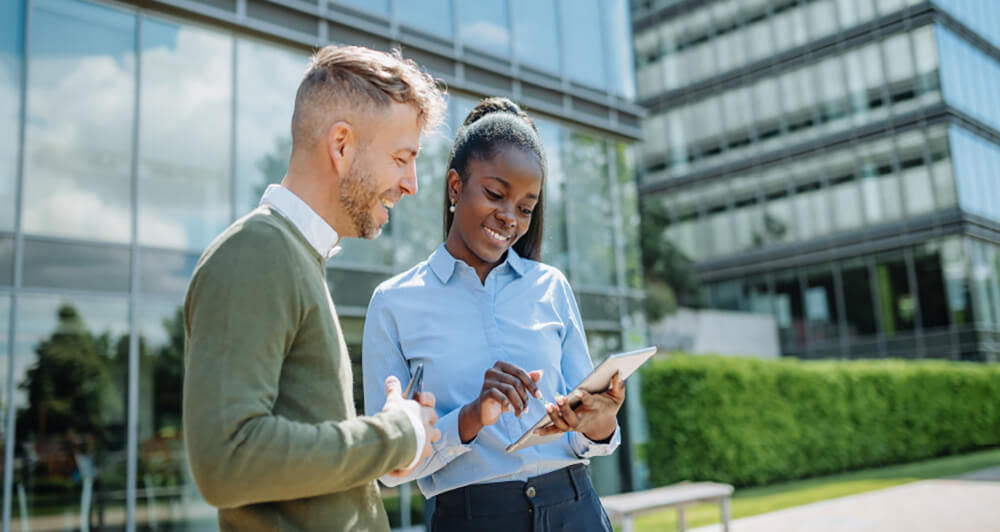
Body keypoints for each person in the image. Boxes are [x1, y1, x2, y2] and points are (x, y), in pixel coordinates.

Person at [183, 45, 447, 531]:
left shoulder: (294, 258)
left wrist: (385, 454)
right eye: (401, 157)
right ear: (342, 146)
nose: (411, 183)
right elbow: (227, 460)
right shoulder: (255, 253)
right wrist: (395, 435)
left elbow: (297, 464)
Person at [362, 98, 625, 532]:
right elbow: (388, 464)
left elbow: (585, 438)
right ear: (453, 187)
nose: (510, 218)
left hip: (574, 509)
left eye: (525, 207)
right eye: (495, 194)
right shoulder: (394, 303)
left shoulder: (551, 287)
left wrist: (599, 421)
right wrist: (471, 416)